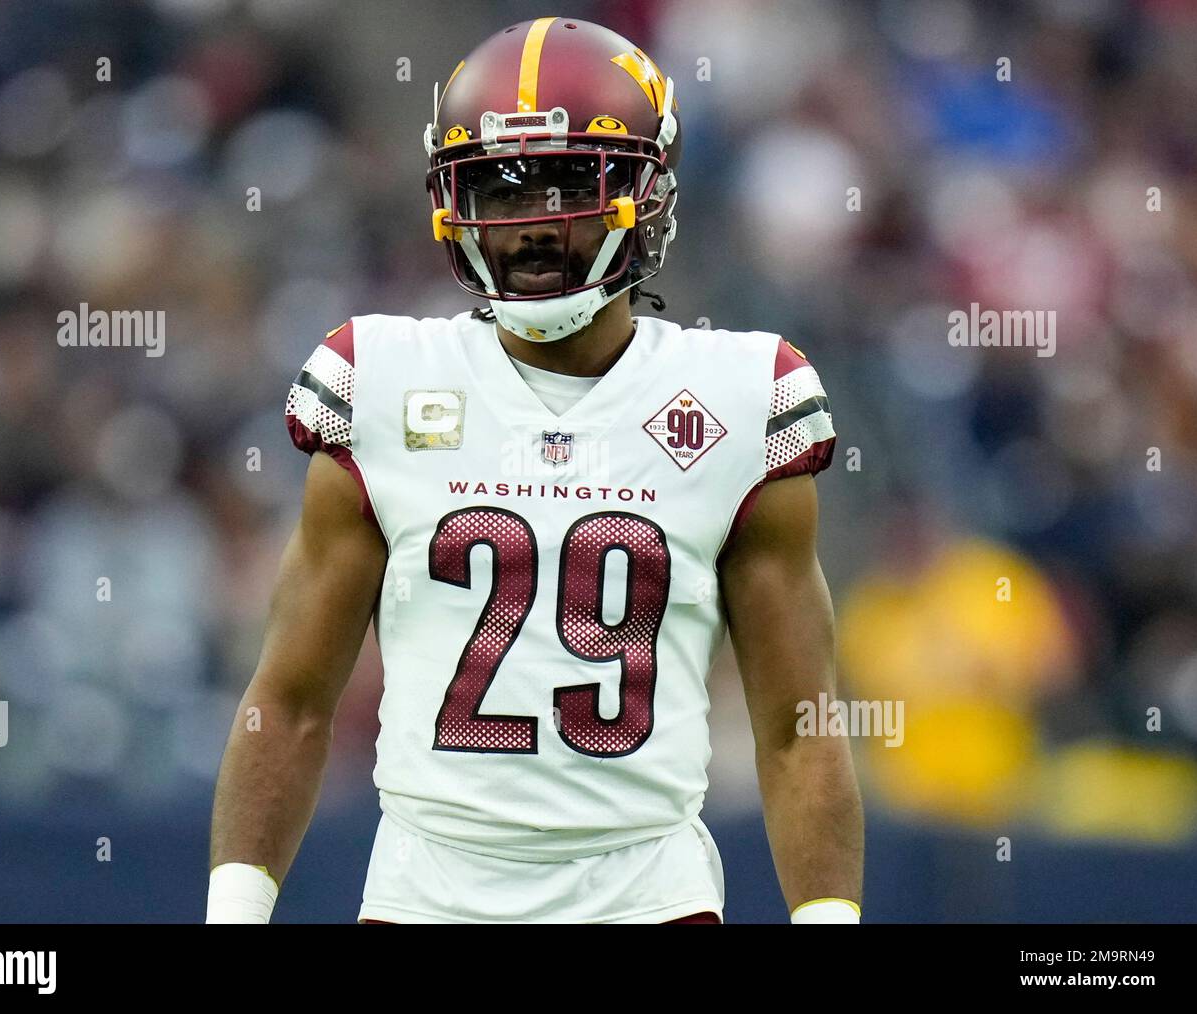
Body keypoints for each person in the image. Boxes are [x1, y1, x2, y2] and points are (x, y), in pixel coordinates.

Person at [207, 16, 862, 925]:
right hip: (426, 893)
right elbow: (289, 699)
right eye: (500, 190)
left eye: (566, 183)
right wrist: (233, 913)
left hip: (645, 896)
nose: (532, 224)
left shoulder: (743, 397)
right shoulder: (383, 381)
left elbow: (797, 724)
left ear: (650, 195)